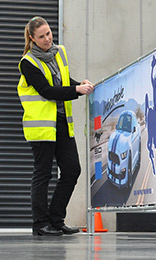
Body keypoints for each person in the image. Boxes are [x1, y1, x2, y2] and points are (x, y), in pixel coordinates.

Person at [17, 16, 94, 236]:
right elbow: (47, 91)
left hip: (61, 123)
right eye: (41, 36)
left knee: (72, 170)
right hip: (41, 126)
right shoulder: (28, 63)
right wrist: (76, 91)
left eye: (48, 33)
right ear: (32, 38)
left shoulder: (59, 51)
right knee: (43, 174)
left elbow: (63, 80)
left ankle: (56, 219)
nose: (47, 39)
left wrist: (79, 84)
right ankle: (40, 224)